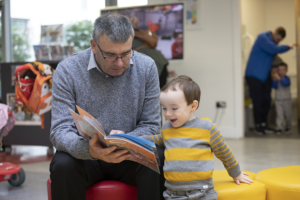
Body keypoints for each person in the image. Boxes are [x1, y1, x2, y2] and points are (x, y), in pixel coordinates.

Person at [49, 13, 165, 200]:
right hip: (86, 156)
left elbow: (152, 125)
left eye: (126, 53)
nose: (120, 63)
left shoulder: (147, 67)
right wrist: (89, 149)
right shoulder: (68, 70)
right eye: (111, 55)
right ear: (94, 46)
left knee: (158, 155)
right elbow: (60, 130)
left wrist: (126, 140)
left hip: (130, 155)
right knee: (63, 164)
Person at [141, 75, 253, 200]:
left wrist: (236, 173)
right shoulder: (167, 128)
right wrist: (133, 139)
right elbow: (157, 139)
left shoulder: (207, 128)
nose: (168, 114)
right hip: (173, 194)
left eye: (174, 108)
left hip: (203, 193)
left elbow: (224, 153)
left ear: (193, 106)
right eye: (164, 108)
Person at [245, 27, 296, 135]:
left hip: (265, 75)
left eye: (279, 41)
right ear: (274, 33)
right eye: (278, 39)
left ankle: (264, 125)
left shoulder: (270, 42)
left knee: (267, 100)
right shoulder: (262, 37)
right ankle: (258, 126)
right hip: (253, 75)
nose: (278, 42)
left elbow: (275, 56)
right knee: (258, 101)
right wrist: (289, 46)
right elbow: (274, 49)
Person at [130, 16, 169, 89]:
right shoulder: (145, 34)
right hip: (160, 60)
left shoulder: (126, 37)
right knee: (160, 91)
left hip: (146, 65)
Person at [272, 62, 292, 135]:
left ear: (286, 70)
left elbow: (285, 84)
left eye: (283, 70)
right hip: (278, 100)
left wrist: (279, 78)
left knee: (288, 114)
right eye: (279, 70)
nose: (281, 71)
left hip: (287, 100)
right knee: (279, 114)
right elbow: (274, 87)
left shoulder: (287, 79)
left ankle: (288, 126)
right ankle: (279, 127)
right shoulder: (277, 79)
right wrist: (275, 79)